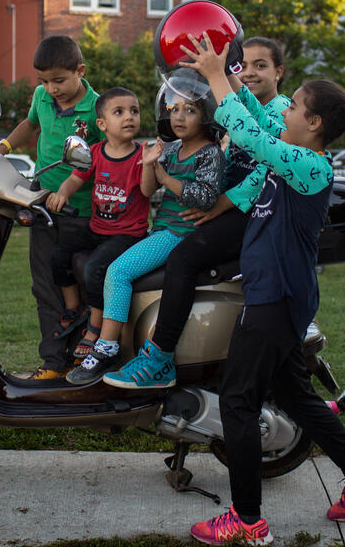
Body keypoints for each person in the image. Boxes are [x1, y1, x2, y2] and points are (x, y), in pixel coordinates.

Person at [178, 34, 345, 546]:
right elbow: (259, 119)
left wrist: (216, 79)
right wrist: (229, 79)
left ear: (313, 123)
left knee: (238, 399)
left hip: (275, 299)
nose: (286, 111)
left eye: (293, 106)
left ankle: (247, 520)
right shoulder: (295, 153)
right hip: (278, 294)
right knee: (296, 395)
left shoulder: (310, 166)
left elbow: (252, 137)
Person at [105, 37, 289, 388]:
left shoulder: (282, 110)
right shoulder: (241, 106)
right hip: (224, 206)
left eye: (260, 65)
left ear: (279, 72)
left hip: (252, 209)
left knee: (183, 258)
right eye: (243, 65)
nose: (249, 73)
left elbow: (269, 165)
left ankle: (159, 357)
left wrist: (221, 202)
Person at [66, 70, 224, 386]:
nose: (179, 116)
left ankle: (106, 347)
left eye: (190, 110)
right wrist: (151, 166)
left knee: (117, 271)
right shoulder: (173, 150)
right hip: (163, 230)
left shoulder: (209, 153)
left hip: (180, 233)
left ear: (206, 114)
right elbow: (148, 190)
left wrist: (166, 177)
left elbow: (205, 198)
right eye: (174, 109)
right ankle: (121, 341)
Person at [0, 35, 103, 379]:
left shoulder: (97, 108)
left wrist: (72, 189)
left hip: (81, 213)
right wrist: (3, 147)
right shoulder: (42, 97)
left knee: (81, 285)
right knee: (44, 285)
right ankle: (53, 362)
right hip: (43, 207)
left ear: (80, 71)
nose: (51, 89)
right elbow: (30, 124)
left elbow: (105, 157)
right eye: (43, 81)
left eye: (58, 80)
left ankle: (83, 359)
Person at [45, 87, 149, 363]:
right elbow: (75, 179)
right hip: (97, 228)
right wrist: (62, 193)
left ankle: (95, 326)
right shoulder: (94, 152)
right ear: (101, 125)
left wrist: (151, 166)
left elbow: (148, 191)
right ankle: (73, 308)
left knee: (95, 269)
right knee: (59, 255)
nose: (129, 117)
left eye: (134, 111)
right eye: (119, 112)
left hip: (128, 234)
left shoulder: (142, 156)